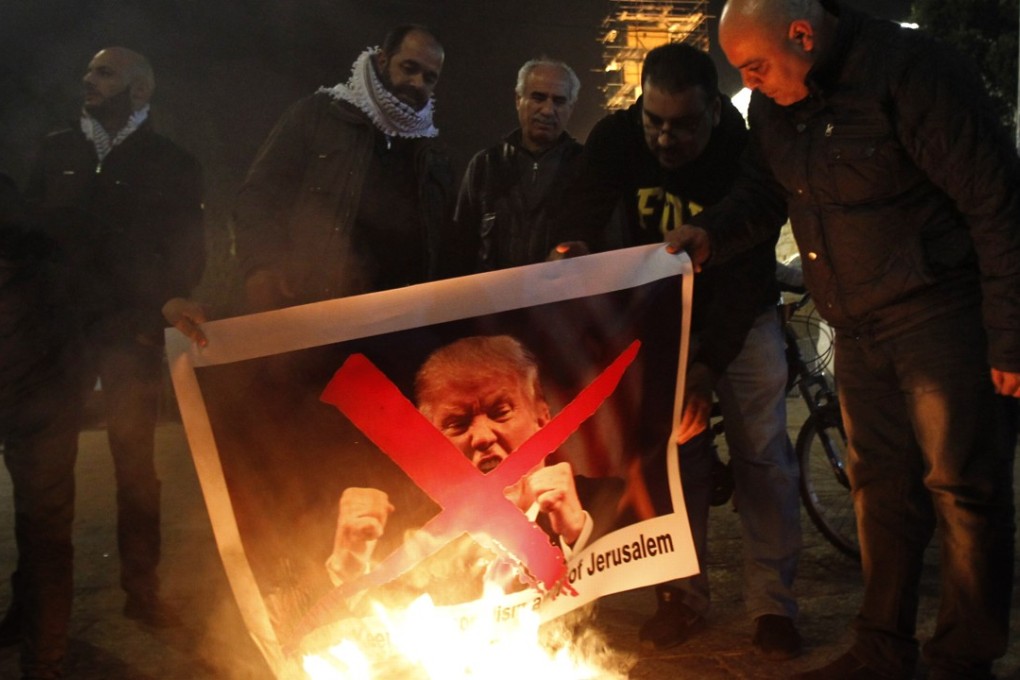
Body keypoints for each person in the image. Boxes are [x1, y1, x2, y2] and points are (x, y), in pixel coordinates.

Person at [668, 1, 1020, 678]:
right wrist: (713, 232)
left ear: (803, 33)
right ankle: (882, 647)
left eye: (756, 65)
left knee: (962, 490)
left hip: (940, 315)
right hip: (858, 328)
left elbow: (996, 198)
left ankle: (961, 658)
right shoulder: (775, 109)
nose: (750, 82)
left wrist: (1009, 335)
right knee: (879, 490)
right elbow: (764, 192)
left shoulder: (912, 73)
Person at [551, 42, 803, 659]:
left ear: (714, 111)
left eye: (683, 124)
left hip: (739, 313)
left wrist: (707, 365)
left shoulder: (743, 152)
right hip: (660, 317)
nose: (666, 139)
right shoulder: (616, 137)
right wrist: (573, 248)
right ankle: (682, 596)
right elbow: (579, 205)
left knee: (761, 453)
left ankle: (773, 604)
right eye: (654, 122)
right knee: (674, 459)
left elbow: (745, 274)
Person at [23, 46, 205, 628]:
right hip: (57, 337)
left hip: (131, 334)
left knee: (135, 471)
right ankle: (31, 604)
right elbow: (30, 242)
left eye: (104, 73)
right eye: (88, 71)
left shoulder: (171, 162)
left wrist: (166, 300)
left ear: (141, 90)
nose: (88, 80)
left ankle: (143, 594)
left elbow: (187, 252)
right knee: (43, 473)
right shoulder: (57, 151)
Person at [326, 335, 624, 595]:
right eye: (457, 423)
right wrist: (349, 568)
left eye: (500, 412)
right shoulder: (412, 545)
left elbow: (648, 628)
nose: (481, 438)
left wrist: (580, 539)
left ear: (542, 419)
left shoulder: (613, 504)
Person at [234, 24, 456, 312]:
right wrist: (262, 266)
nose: (417, 83)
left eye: (429, 78)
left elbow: (445, 244)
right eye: (409, 68)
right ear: (383, 60)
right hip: (315, 307)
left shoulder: (434, 153)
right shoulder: (318, 115)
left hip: (402, 321)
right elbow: (258, 196)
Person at [0, 174, 83, 680]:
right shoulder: (44, 247)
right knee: (42, 526)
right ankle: (38, 643)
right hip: (43, 392)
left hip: (42, 398)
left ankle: (44, 659)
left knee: (45, 526)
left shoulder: (39, 263)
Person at [453, 58, 583, 271]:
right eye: (538, 98)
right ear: (518, 99)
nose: (548, 110)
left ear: (572, 107)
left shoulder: (587, 168)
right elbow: (460, 249)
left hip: (562, 302)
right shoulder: (485, 166)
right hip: (494, 301)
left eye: (559, 101)